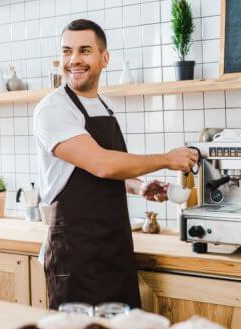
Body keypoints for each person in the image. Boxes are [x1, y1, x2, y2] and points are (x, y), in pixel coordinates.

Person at [34, 19, 199, 309]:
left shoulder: (103, 105)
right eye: (66, 51)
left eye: (84, 50)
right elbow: (101, 164)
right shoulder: (53, 109)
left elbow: (96, 172)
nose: (74, 60)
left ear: (104, 58)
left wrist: (138, 186)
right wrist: (167, 159)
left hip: (115, 248)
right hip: (76, 254)